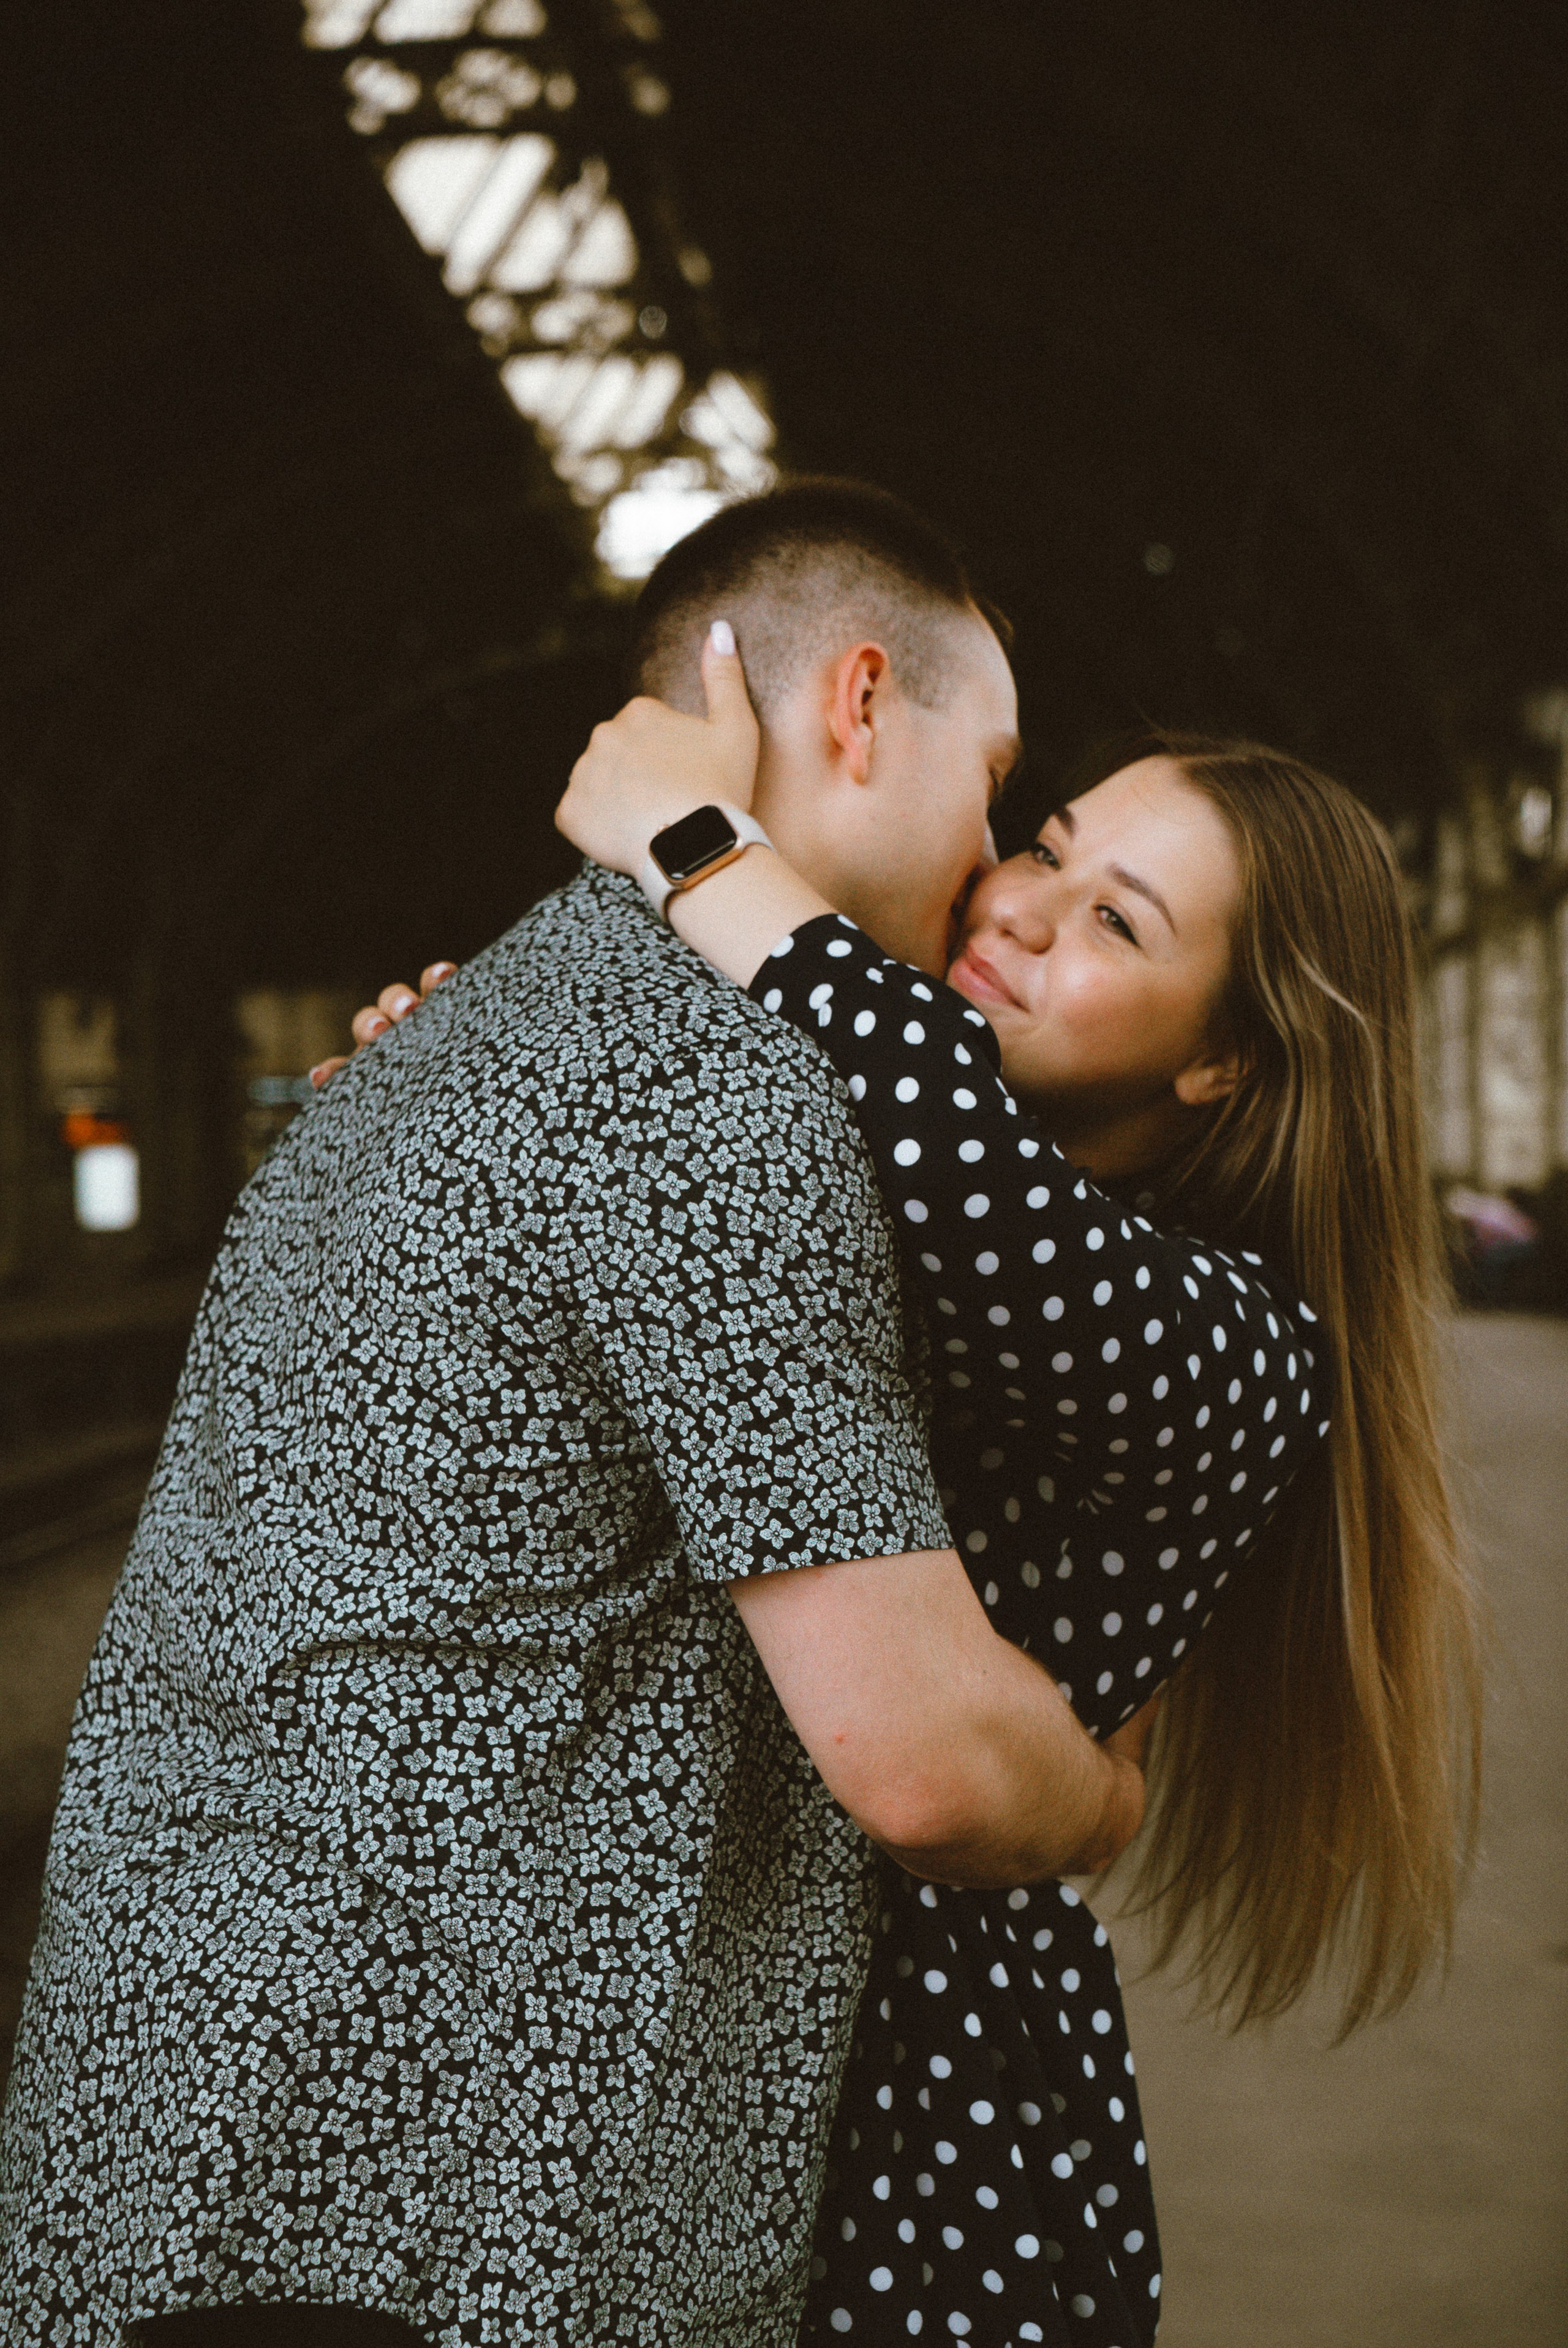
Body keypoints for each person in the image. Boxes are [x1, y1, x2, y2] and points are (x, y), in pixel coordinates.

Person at [0, 483, 1148, 2348]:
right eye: (997, 776)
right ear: (860, 704)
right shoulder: (718, 1091)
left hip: (175, 2150)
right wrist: (1104, 1788)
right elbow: (923, 1759)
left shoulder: (443, 1052)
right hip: (430, 2211)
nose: (999, 852)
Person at [354, 620, 1482, 2344]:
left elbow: (951, 1150)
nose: (1023, 906)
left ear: (1224, 1065)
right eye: (1046, 844)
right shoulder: (865, 1193)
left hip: (905, 2121)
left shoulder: (1237, 1347)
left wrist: (696, 844)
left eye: (1118, 921)